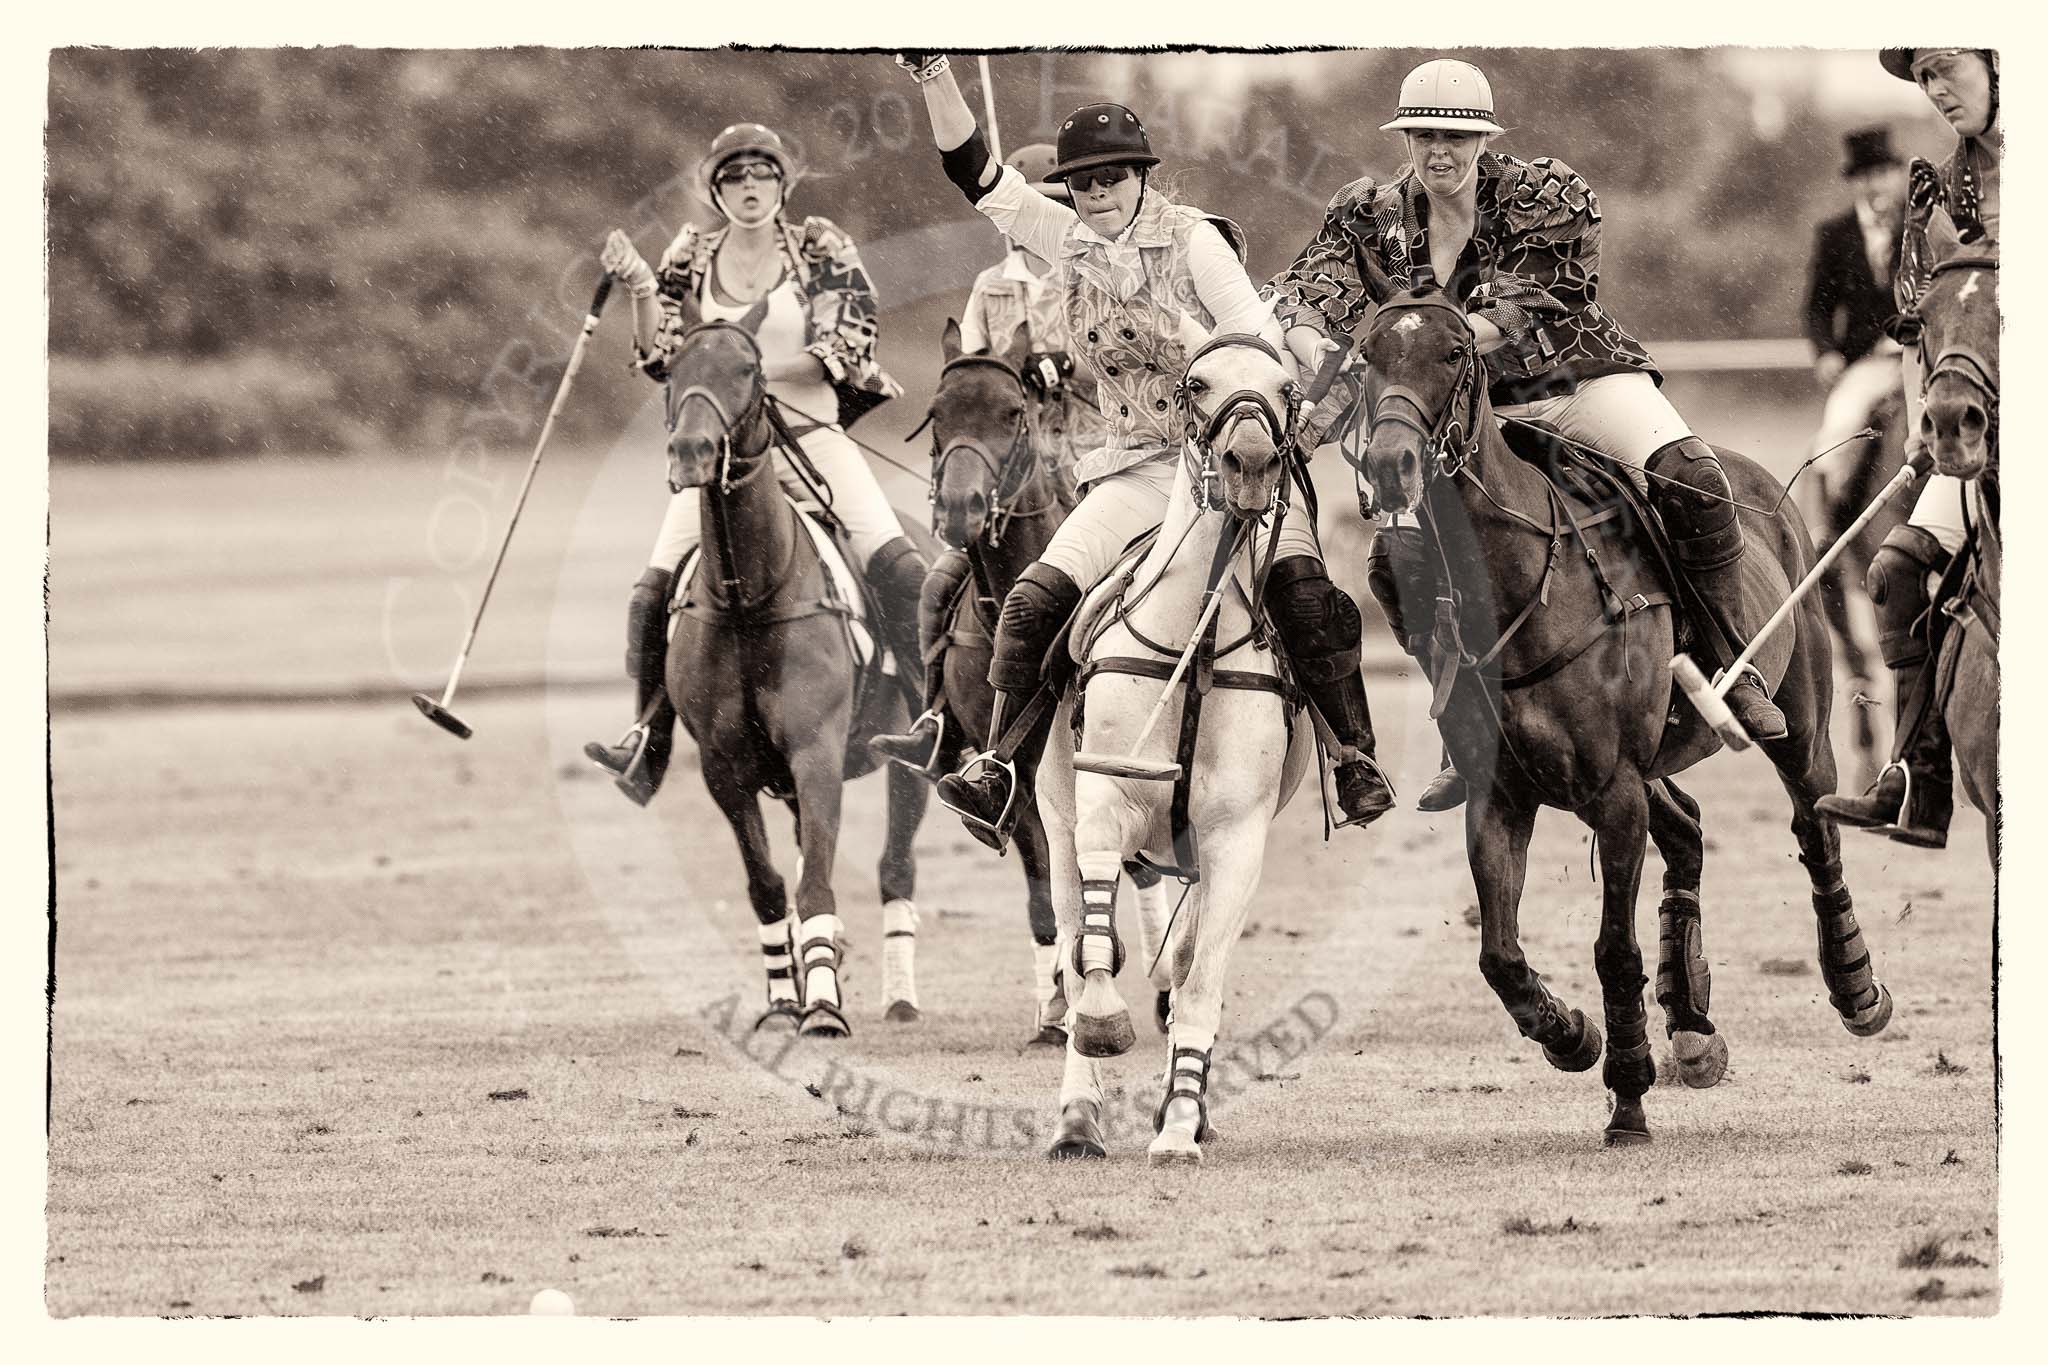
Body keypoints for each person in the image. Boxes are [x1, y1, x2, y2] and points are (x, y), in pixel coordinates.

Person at [891, 52, 1396, 850]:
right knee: (1028, 603)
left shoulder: (1194, 241)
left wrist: (1273, 396)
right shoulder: (1070, 242)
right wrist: (930, 75)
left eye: (1110, 180)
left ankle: (1352, 757)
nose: (1095, 196)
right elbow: (977, 174)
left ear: (1139, 176)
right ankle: (999, 765)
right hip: (1130, 470)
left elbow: (1254, 340)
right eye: (1083, 185)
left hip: (1232, 469)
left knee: (1306, 595)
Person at [1272, 57, 1790, 813]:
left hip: (1574, 382)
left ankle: (1729, 662)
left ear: (1485, 138)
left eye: (1455, 136)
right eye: (1422, 135)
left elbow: (1531, 305)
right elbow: (1307, 291)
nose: (1438, 151)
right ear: (1405, 136)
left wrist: (1414, 341)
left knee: (1693, 477)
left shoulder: (1547, 193)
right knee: (1395, 560)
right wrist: (1321, 353)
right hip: (1467, 410)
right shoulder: (1367, 212)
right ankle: (1462, 718)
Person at [582, 122, 927, 806]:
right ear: (716, 189)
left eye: (762, 175)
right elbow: (662, 359)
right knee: (652, 591)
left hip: (815, 438)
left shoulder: (820, 244)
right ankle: (647, 739)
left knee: (903, 566)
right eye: (734, 177)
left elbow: (848, 346)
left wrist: (744, 371)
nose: (749, 188)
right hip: (727, 457)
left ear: (782, 185)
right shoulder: (692, 252)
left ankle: (933, 720)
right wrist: (643, 289)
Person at [870, 142, 1107, 777]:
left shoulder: (1094, 276)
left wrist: (1067, 365)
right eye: (1029, 210)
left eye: (1054, 206)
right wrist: (999, 375)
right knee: (940, 584)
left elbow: (1124, 367)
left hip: (1091, 455)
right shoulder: (990, 287)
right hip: (1009, 467)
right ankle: (939, 719)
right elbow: (974, 378)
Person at [1816, 49, 2000, 848]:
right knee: (1891, 569)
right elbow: (1921, 313)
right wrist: (1928, 400)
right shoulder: (1944, 184)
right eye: (1921, 75)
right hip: (1959, 401)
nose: (1934, 88)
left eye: (1945, 66)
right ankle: (1917, 779)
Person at [1803, 128, 1908, 476]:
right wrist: (1826, 352)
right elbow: (1817, 306)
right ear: (1854, 182)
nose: (1875, 184)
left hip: (1922, 357)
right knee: (1836, 437)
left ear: (1896, 174)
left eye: (1882, 173)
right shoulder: (1835, 235)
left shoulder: (1922, 224)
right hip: (1867, 363)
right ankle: (1827, 527)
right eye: (1865, 176)